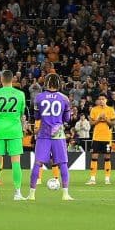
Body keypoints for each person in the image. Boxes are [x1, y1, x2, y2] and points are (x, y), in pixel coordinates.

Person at [29, 73, 74, 201]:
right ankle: (65, 194)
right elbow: (67, 119)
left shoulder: (39, 97)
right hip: (58, 134)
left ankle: (32, 194)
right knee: (63, 164)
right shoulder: (64, 98)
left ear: (46, 83)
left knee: (38, 164)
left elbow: (36, 117)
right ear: (59, 84)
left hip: (43, 134)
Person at [0, 69, 27, 201]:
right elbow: (21, 113)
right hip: (15, 131)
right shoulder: (20, 94)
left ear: (1, 79)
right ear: (13, 79)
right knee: (16, 164)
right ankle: (17, 193)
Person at [87, 95, 115, 185]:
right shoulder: (94, 109)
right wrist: (99, 119)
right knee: (94, 157)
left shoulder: (110, 110)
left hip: (107, 137)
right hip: (96, 137)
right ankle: (92, 179)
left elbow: (112, 124)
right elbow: (91, 123)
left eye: (103, 99)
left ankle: (107, 178)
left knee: (107, 157)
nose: (101, 100)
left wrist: (106, 119)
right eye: (99, 99)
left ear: (106, 100)